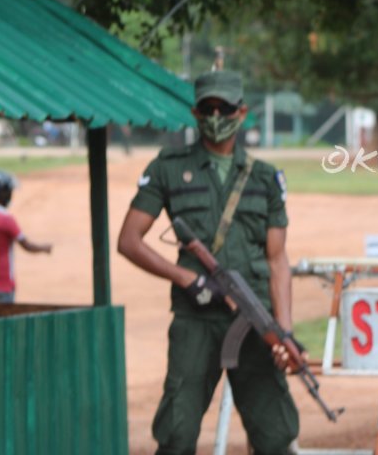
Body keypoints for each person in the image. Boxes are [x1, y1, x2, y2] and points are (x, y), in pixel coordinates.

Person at [117, 69, 300, 454]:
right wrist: (187, 278)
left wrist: (282, 330)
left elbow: (278, 259)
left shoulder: (265, 178)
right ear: (195, 113)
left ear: (242, 112)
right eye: (208, 108)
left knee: (275, 436)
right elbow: (129, 240)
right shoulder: (168, 167)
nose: (217, 116)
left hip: (253, 319)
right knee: (177, 434)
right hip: (195, 320)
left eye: (225, 108)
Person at [0, 169, 53, 303]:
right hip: (2, 285)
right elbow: (26, 245)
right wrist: (44, 248)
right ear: (3, 194)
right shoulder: (5, 219)